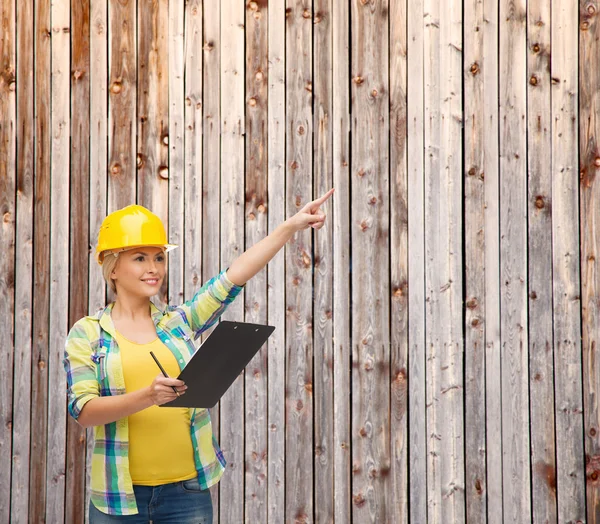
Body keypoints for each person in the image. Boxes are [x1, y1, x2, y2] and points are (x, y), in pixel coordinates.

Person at [63, 188, 334, 523]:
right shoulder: (88, 334)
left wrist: (289, 227)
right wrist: (148, 396)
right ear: (113, 268)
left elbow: (233, 277)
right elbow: (85, 412)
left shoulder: (179, 322)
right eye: (140, 258)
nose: (154, 268)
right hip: (119, 498)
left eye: (159, 257)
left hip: (186, 494)